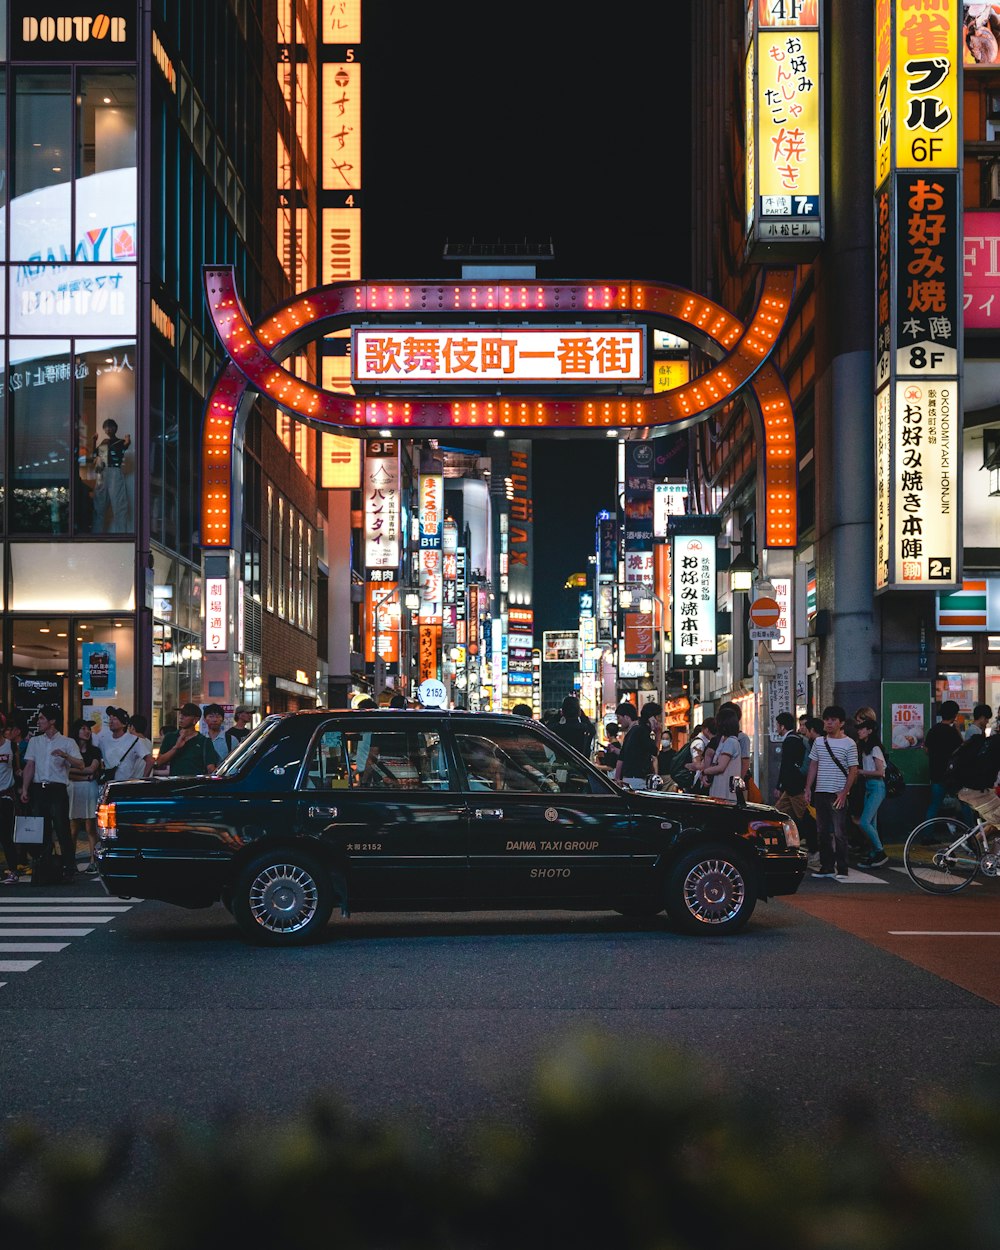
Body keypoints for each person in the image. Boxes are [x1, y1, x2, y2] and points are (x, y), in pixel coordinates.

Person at [20, 706, 84, 882]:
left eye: (42, 718)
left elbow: (80, 764)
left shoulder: (67, 742)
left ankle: (69, 866)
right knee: (42, 829)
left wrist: (65, 756)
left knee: (62, 828)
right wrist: (25, 788)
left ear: (52, 721)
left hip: (57, 788)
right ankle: (45, 864)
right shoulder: (35, 742)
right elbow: (30, 766)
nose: (39, 721)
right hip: (38, 788)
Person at [804, 705, 859, 880]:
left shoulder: (849, 743)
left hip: (837, 793)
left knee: (839, 832)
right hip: (820, 791)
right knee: (822, 832)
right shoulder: (819, 742)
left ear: (841, 723)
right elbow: (813, 765)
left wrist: (844, 792)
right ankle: (826, 867)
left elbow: (853, 770)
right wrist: (808, 788)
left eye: (833, 720)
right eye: (826, 719)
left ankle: (842, 868)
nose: (828, 722)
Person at [67, 718, 104, 873]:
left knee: (90, 826)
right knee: (72, 827)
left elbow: (92, 769)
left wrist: (76, 772)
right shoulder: (70, 749)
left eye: (88, 729)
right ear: (76, 731)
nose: (87, 731)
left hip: (89, 789)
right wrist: (83, 776)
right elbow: (67, 772)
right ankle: (69, 861)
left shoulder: (95, 750)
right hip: (74, 789)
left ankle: (93, 861)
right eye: (83, 728)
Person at [855, 717, 889, 868]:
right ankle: (874, 854)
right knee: (871, 824)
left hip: (877, 787)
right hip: (870, 786)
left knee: (864, 821)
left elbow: (880, 772)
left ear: (869, 731)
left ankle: (880, 852)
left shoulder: (875, 748)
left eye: (862, 729)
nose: (859, 731)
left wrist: (861, 771)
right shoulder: (865, 748)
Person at [923, 700, 963, 821]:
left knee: (934, 805)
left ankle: (927, 835)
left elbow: (926, 750)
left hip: (936, 774)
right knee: (965, 803)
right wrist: (958, 730)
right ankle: (972, 834)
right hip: (952, 775)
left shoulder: (933, 730)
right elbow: (962, 749)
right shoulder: (953, 732)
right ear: (954, 715)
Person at [91, 417, 132, 532]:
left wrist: (127, 442)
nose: (108, 429)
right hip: (103, 472)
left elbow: (124, 447)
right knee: (99, 505)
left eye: (110, 427)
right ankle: (96, 535)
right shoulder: (104, 442)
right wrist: (94, 441)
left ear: (115, 428)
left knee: (119, 505)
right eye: (106, 427)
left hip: (114, 471)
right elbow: (95, 455)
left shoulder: (120, 442)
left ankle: (121, 536)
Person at [157, 704, 217, 776]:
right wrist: (176, 747)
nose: (181, 717)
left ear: (196, 719)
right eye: (180, 714)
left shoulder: (204, 741)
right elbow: (159, 762)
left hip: (196, 784)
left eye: (186, 715)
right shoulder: (170, 737)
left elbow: (210, 768)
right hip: (175, 783)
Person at [701, 706, 744, 803]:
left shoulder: (731, 742)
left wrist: (705, 772)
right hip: (720, 790)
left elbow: (721, 767)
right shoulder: (724, 740)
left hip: (725, 792)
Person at [773, 711, 807, 821]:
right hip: (792, 787)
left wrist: (780, 786)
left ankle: (811, 836)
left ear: (782, 726)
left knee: (803, 815)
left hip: (794, 787)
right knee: (780, 811)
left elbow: (786, 765)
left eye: (777, 725)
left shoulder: (790, 741)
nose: (776, 728)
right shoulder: (796, 738)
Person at [618, 702, 661, 789]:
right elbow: (655, 752)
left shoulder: (634, 730)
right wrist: (658, 733)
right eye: (658, 718)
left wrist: (617, 778)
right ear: (652, 718)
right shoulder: (642, 731)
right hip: (637, 780)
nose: (659, 722)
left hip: (629, 778)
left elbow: (621, 757)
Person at [92, 707, 141, 780]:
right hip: (108, 783)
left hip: (126, 784)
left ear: (124, 724)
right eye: (110, 719)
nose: (111, 722)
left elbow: (150, 760)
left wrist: (143, 779)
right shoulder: (103, 740)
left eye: (114, 719)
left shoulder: (134, 740)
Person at [0, 725, 21, 884]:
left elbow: (17, 769)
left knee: (6, 835)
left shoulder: (10, 745)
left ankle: (13, 870)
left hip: (6, 795)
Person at [116, 714, 155, 781]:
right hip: (142, 780)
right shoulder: (149, 743)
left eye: (129, 727)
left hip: (131, 780)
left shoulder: (132, 742)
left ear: (132, 727)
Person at [612, 702, 638, 784]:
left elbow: (624, 757)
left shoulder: (636, 732)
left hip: (633, 778)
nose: (618, 721)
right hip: (630, 777)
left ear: (627, 717)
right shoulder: (632, 732)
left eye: (619, 717)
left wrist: (617, 778)